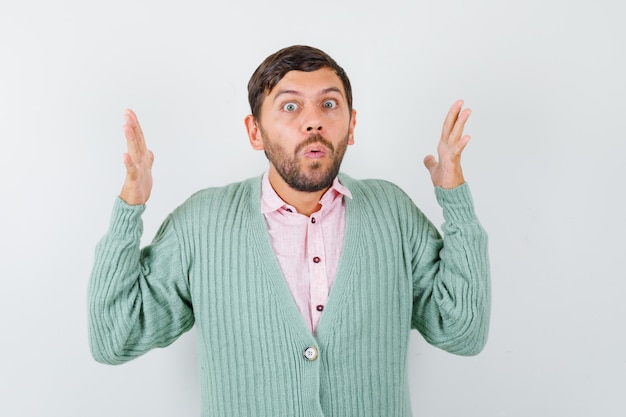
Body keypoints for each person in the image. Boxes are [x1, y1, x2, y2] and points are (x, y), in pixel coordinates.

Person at [88, 45, 490, 417]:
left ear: (351, 125)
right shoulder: (201, 224)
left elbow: (463, 331)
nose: (313, 121)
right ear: (255, 132)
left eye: (329, 104)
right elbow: (114, 338)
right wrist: (130, 207)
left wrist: (455, 199)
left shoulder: (392, 213)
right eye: (290, 106)